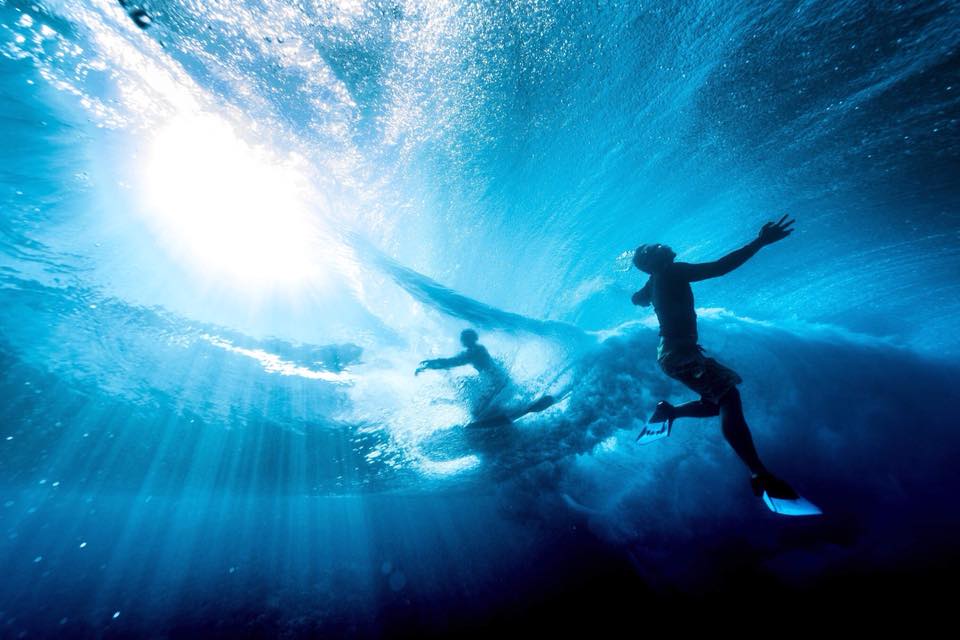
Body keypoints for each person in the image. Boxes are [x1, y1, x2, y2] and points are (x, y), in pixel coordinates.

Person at [632, 216, 799, 501]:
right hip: (679, 353)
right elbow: (721, 268)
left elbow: (637, 298)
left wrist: (644, 294)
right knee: (728, 397)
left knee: (714, 405)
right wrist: (760, 241)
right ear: (655, 261)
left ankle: (670, 412)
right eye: (655, 249)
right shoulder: (672, 272)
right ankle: (758, 472)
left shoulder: (656, 279)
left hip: (674, 354)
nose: (663, 246)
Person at [416, 329, 554, 424]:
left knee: (477, 413)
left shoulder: (476, 351)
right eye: (463, 338)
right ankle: (515, 409)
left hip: (497, 381)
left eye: (464, 338)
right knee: (479, 407)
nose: (463, 340)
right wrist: (430, 364)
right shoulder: (474, 350)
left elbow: (452, 362)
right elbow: (452, 361)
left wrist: (429, 365)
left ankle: (522, 408)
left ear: (470, 339)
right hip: (497, 380)